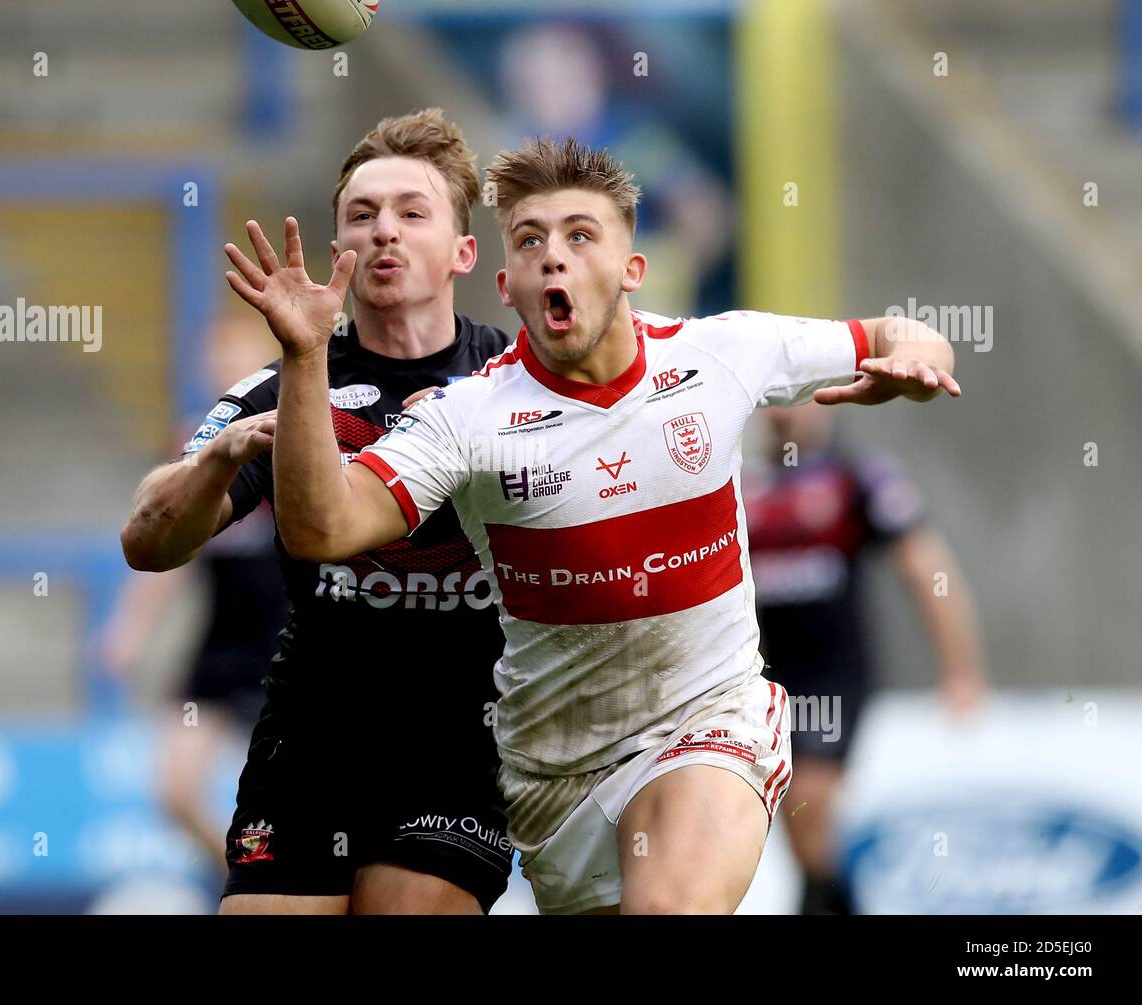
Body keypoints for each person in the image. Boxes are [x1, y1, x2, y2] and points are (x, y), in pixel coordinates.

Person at [226, 136, 961, 914]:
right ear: (505, 282)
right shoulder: (467, 418)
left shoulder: (720, 354)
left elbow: (895, 334)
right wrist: (306, 356)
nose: (555, 257)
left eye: (581, 235)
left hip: (707, 717)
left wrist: (911, 367)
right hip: (555, 774)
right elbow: (320, 527)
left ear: (632, 269)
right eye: (532, 239)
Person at [122, 109, 514, 915]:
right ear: (339, 249)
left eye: (412, 212)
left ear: (463, 252)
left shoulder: (516, 384)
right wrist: (221, 459)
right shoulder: (286, 384)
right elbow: (146, 541)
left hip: (462, 737)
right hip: (312, 735)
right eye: (362, 216)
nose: (384, 233)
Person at [744, 401, 986, 913]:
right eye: (775, 400)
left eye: (799, 398)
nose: (785, 413)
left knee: (809, 805)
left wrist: (961, 670)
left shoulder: (857, 479)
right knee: (801, 835)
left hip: (836, 677)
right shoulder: (741, 489)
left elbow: (927, 571)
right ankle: (830, 902)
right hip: (768, 685)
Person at [102, 316, 290, 876]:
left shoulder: (301, 438)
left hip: (287, 641)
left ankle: (293, 882)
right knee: (175, 790)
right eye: (218, 361)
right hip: (221, 645)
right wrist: (129, 628)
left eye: (240, 359)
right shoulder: (198, 447)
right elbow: (167, 554)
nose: (227, 371)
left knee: (285, 798)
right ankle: (246, 877)